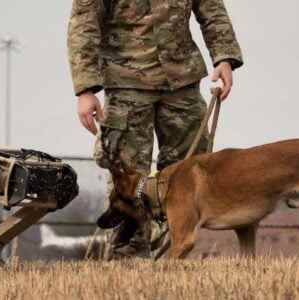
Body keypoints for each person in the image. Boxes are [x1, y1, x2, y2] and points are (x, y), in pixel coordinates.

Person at [67, 0, 243, 259]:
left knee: (190, 172)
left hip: (182, 80)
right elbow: (83, 23)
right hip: (126, 84)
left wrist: (224, 57)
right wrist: (85, 89)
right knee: (128, 179)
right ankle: (127, 259)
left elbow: (211, 8)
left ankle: (174, 251)